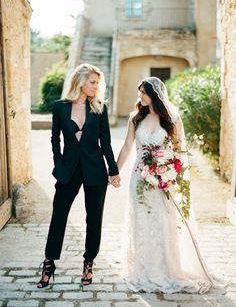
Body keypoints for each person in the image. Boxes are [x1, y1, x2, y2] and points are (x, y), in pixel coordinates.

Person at [117, 76, 217, 294]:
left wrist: (171, 173)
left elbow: (180, 150)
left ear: (154, 95)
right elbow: (126, 147)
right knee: (141, 220)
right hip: (139, 178)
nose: (139, 96)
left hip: (165, 179)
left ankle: (167, 269)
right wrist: (114, 171)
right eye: (139, 92)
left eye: (143, 92)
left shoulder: (172, 118)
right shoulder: (135, 118)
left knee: (164, 221)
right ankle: (143, 270)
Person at [37, 63, 120, 288]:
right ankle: (49, 262)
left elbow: (106, 142)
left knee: (93, 219)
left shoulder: (99, 108)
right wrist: (58, 164)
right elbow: (55, 139)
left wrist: (113, 171)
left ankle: (88, 263)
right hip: (68, 171)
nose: (96, 86)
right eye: (92, 82)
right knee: (59, 216)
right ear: (80, 82)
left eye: (97, 83)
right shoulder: (60, 107)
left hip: (95, 171)